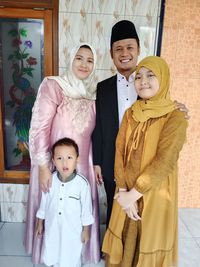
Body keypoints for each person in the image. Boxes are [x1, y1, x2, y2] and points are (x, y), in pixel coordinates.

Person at [92, 20, 188, 227]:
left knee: (141, 208)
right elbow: (98, 126)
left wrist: (177, 108)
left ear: (138, 49)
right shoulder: (103, 87)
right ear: (111, 54)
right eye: (118, 49)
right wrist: (97, 161)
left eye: (129, 47)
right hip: (111, 158)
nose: (124, 53)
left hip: (143, 159)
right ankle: (113, 245)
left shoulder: (147, 83)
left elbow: (162, 106)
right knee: (113, 204)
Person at [102, 56, 188, 267]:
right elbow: (119, 150)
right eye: (138, 77)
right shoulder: (132, 113)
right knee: (125, 233)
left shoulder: (175, 116)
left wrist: (134, 194)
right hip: (126, 190)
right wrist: (122, 190)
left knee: (148, 235)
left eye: (151, 75)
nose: (143, 81)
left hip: (154, 192)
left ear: (164, 78)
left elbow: (165, 160)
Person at [25, 43, 100, 264]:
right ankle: (49, 254)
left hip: (82, 164)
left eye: (89, 60)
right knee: (52, 207)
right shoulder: (54, 86)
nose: (84, 64)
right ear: (70, 59)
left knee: (77, 212)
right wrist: (42, 165)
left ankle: (77, 254)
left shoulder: (92, 94)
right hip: (52, 164)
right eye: (79, 58)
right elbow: (39, 126)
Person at [35, 137, 94, 267]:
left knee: (71, 251)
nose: (64, 163)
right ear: (53, 161)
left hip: (72, 229)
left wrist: (86, 230)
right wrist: (40, 223)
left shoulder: (82, 184)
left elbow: (86, 211)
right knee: (52, 246)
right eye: (59, 158)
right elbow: (44, 204)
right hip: (52, 226)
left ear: (77, 159)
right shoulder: (50, 180)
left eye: (69, 158)